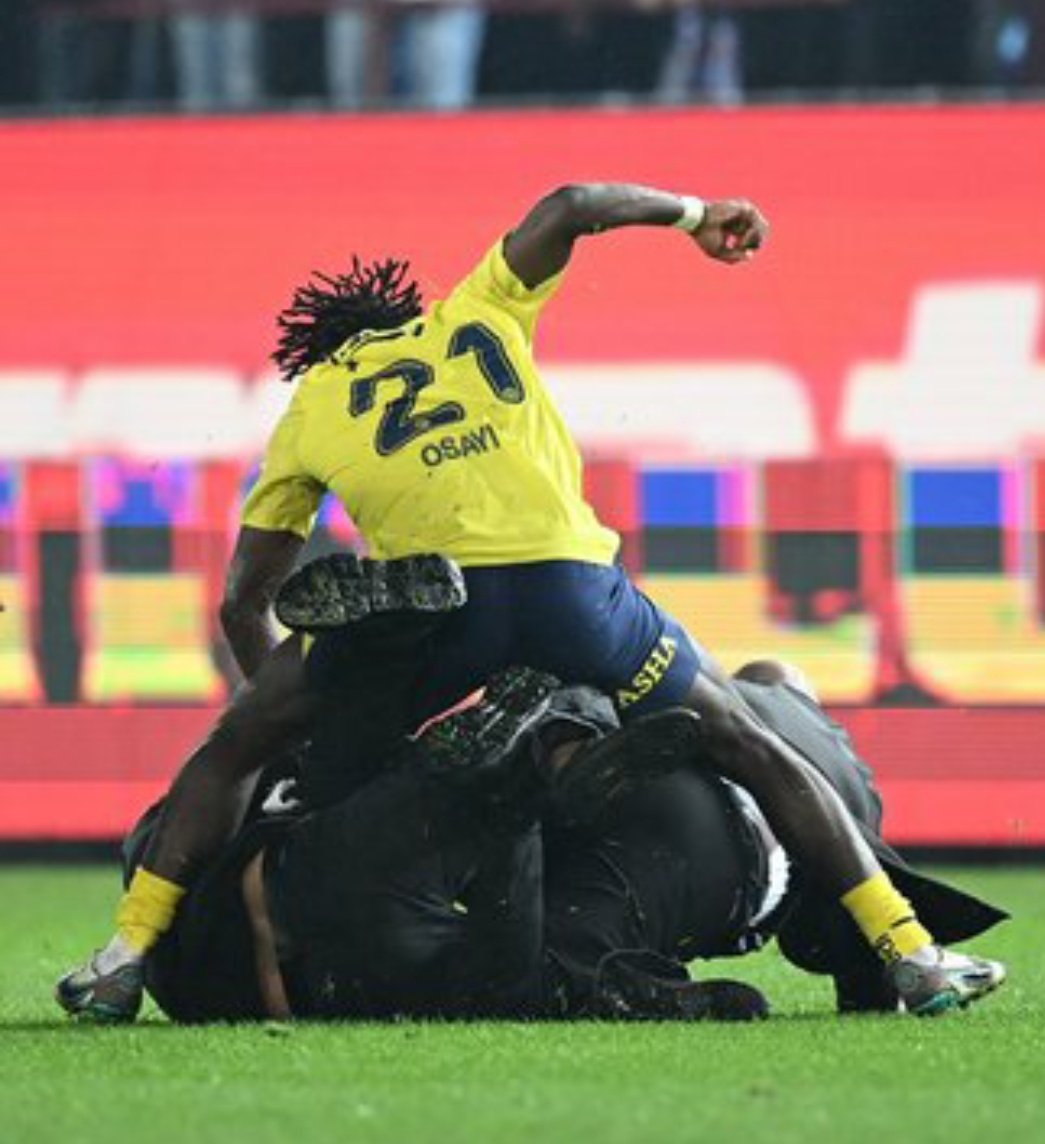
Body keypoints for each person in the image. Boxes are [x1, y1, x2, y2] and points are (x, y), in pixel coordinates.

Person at [57, 183, 977, 1021]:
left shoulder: (308, 409)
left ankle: (122, 958)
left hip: (440, 614)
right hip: (571, 592)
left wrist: (298, 724)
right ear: (405, 315)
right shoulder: (475, 311)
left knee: (232, 750)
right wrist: (698, 218)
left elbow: (242, 603)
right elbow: (573, 203)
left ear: (321, 351)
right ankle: (908, 951)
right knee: (746, 738)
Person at [103, 664, 1006, 1025]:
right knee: (531, 955)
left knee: (537, 944)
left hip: (668, 822)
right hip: (701, 846)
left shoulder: (754, 713)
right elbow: (860, 975)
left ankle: (539, 752)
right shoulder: (824, 802)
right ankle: (535, 767)